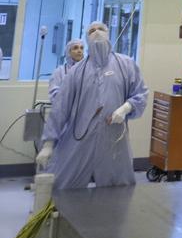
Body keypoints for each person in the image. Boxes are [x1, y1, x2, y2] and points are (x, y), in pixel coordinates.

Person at [36, 22, 148, 188]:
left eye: (101, 29)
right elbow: (60, 107)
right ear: (87, 37)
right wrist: (48, 144)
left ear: (109, 33)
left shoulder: (126, 64)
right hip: (80, 137)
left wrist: (126, 108)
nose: (97, 32)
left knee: (117, 189)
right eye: (92, 30)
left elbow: (141, 94)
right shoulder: (76, 71)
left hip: (114, 138)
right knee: (65, 185)